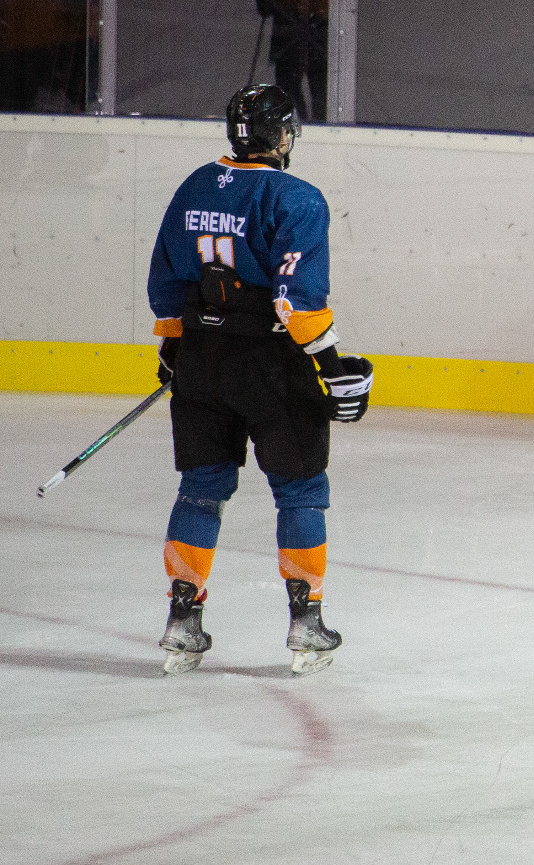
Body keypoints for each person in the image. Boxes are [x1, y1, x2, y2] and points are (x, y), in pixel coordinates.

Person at [147, 83, 374, 676]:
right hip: (273, 366)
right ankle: (306, 622)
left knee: (201, 489)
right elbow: (297, 303)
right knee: (299, 490)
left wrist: (175, 350)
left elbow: (167, 279)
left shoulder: (194, 185)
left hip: (203, 359)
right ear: (279, 136)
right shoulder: (296, 197)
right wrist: (329, 366)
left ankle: (182, 620)